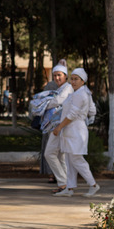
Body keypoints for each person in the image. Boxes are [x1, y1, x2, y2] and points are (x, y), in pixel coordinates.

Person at [52, 68, 100, 197]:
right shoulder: (81, 92)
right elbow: (92, 110)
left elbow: (72, 114)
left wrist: (59, 127)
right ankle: (70, 188)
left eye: (76, 79)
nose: (73, 81)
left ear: (82, 81)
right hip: (72, 130)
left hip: (75, 131)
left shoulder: (80, 94)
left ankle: (93, 185)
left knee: (77, 159)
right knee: (69, 159)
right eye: (72, 79)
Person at [43, 59, 73, 193]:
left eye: (59, 75)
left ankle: (63, 184)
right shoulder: (61, 88)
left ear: (65, 76)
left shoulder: (67, 88)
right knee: (60, 156)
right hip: (58, 127)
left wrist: (42, 105)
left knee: (49, 153)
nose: (56, 78)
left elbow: (58, 101)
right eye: (55, 75)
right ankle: (66, 186)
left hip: (61, 127)